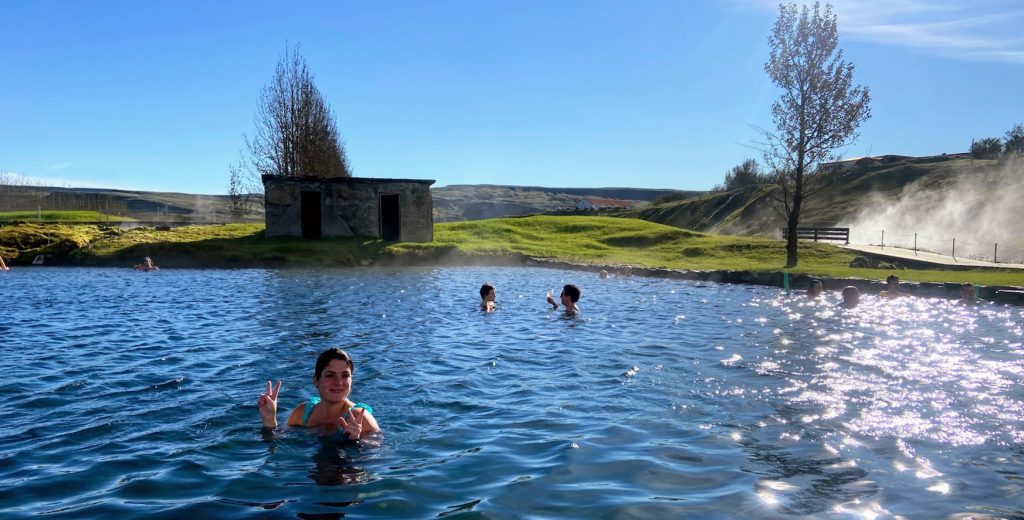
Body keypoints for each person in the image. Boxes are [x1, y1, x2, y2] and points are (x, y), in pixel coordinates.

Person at [258, 348, 380, 440]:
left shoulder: (359, 417)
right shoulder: (303, 413)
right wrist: (269, 420)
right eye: (330, 375)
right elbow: (280, 444)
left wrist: (355, 442)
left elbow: (378, 456)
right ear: (316, 381)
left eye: (345, 376)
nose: (338, 382)